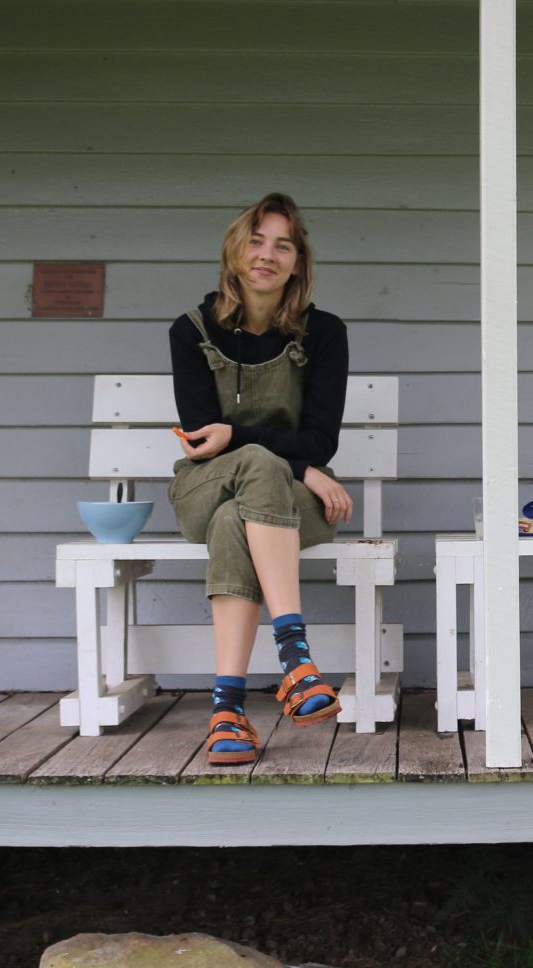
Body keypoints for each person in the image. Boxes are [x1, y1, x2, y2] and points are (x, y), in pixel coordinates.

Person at [168, 192, 351, 763]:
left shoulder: (324, 333)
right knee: (250, 469)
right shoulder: (191, 330)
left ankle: (228, 712)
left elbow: (322, 441)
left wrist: (291, 462)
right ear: (234, 251)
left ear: (298, 263)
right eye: (255, 241)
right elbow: (203, 443)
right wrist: (294, 463)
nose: (267, 255)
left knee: (235, 520)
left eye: (283, 245)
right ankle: (295, 658)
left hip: (291, 500)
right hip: (207, 484)